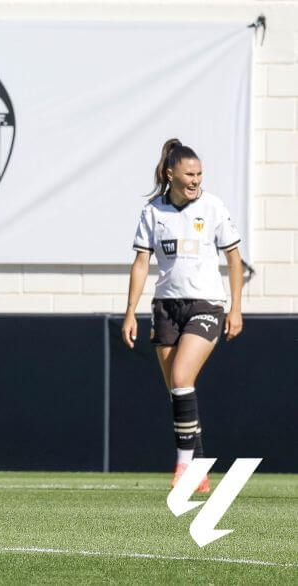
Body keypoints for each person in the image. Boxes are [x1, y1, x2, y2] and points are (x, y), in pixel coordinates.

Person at [122, 138, 243, 492]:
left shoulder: (213, 207)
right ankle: (200, 471)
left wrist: (236, 307)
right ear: (170, 173)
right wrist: (130, 313)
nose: (196, 181)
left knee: (180, 376)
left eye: (200, 174)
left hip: (206, 305)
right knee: (178, 389)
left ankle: (184, 468)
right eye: (189, 174)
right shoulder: (153, 212)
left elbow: (234, 259)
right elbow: (141, 263)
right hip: (166, 308)